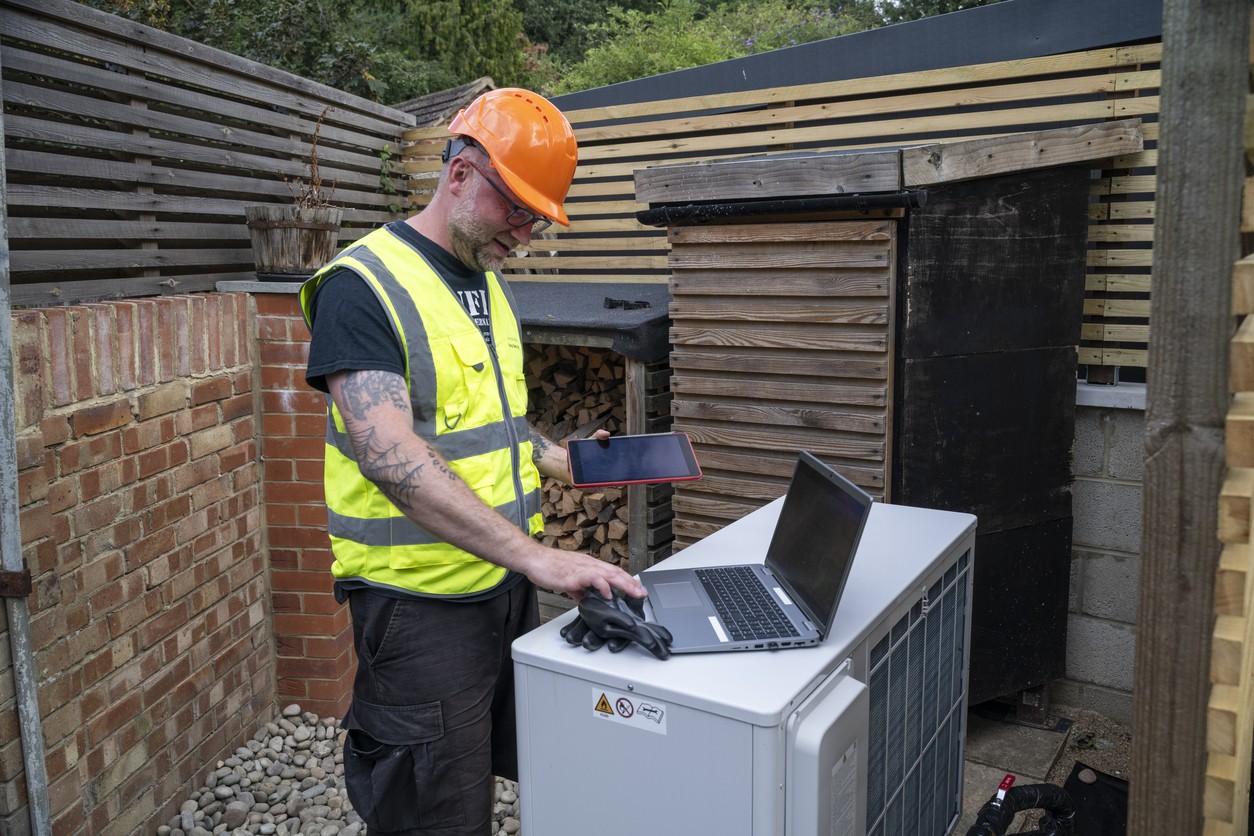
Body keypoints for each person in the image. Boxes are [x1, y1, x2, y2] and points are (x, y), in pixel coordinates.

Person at [299, 88, 646, 836]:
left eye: (536, 217)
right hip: (419, 611)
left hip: (497, 591)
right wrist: (539, 558)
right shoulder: (362, 287)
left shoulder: (484, 284)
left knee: (473, 787)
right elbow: (393, 458)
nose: (524, 233)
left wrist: (573, 466)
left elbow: (490, 432)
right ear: (459, 173)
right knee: (433, 814)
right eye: (514, 207)